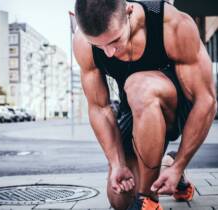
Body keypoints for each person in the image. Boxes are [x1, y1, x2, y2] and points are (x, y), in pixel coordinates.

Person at [73, 0, 217, 209]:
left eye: (114, 40)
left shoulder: (172, 23)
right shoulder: (83, 42)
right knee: (120, 199)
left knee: (138, 85)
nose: (109, 53)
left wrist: (180, 165)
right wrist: (117, 163)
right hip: (136, 111)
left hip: (178, 109)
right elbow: (99, 107)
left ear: (129, 11)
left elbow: (206, 100)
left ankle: (148, 199)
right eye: (99, 46)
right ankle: (163, 165)